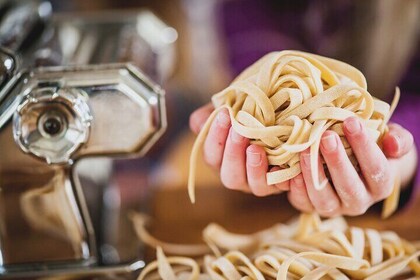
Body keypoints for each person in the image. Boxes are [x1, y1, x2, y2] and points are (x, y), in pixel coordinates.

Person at [188, 0, 419, 217]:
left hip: (374, 217)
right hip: (262, 210)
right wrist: (255, 115)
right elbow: (256, 44)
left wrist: (402, 153)